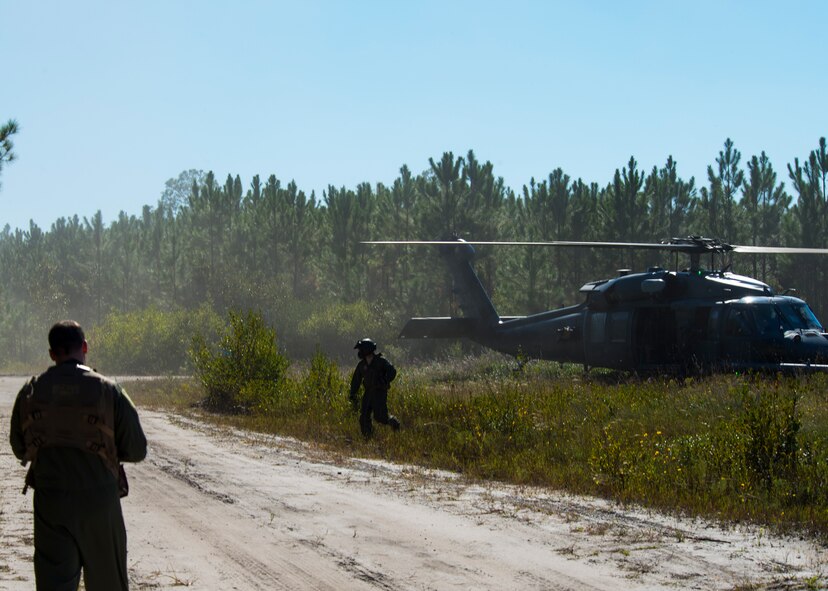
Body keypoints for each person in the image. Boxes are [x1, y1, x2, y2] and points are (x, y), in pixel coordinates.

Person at [9, 320, 147, 591]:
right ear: (84, 347)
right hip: (100, 501)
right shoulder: (110, 390)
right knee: (108, 583)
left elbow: (19, 447)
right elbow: (137, 449)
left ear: (52, 353)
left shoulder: (31, 390)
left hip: (51, 502)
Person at [349, 338, 400, 437]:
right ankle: (368, 437)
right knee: (364, 417)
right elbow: (356, 380)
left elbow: (392, 371)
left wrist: (385, 380)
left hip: (379, 393)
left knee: (381, 417)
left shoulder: (381, 362)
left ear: (366, 349)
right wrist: (352, 393)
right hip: (368, 393)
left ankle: (394, 423)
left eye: (361, 350)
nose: (359, 352)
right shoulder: (362, 365)